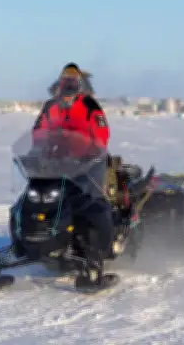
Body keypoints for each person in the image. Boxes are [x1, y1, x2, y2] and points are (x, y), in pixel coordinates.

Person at [30, 62, 116, 259]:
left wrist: (92, 149)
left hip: (88, 161)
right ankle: (37, 241)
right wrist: (37, 149)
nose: (68, 87)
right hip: (57, 161)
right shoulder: (51, 106)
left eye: (72, 83)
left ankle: (101, 247)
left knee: (92, 200)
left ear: (80, 85)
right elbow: (39, 130)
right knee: (40, 198)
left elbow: (102, 132)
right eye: (64, 82)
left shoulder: (89, 105)